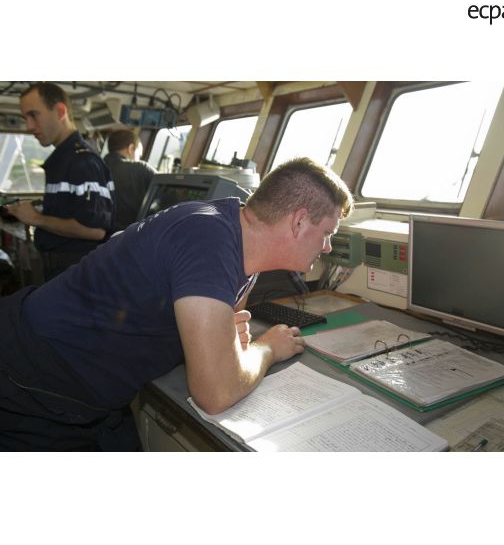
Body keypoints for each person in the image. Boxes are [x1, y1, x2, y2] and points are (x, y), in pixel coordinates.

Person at [0, 157, 354, 451]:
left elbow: (230, 337)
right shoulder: (208, 240)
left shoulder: (242, 242)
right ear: (298, 222)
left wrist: (231, 344)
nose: (326, 247)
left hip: (91, 391)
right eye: (327, 233)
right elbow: (214, 393)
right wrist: (269, 349)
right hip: (33, 382)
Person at [6, 82, 114, 281]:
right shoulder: (64, 159)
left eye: (34, 115)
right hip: (59, 272)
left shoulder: (83, 161)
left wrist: (36, 218)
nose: (29, 126)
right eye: (25, 118)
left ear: (60, 111)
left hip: (76, 275)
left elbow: (96, 230)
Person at [103, 129, 156, 231]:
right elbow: (166, 189)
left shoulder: (97, 165)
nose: (139, 158)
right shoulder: (141, 168)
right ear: (131, 148)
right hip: (127, 234)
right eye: (139, 155)